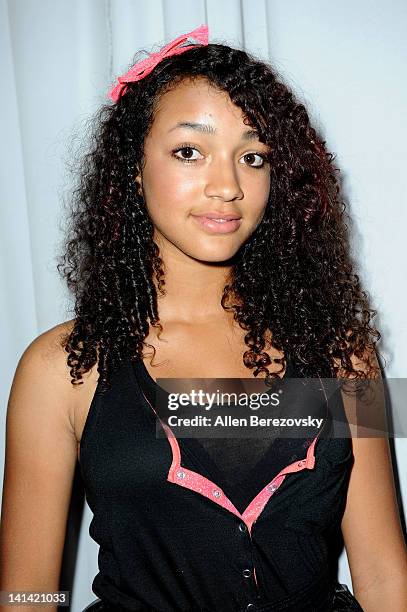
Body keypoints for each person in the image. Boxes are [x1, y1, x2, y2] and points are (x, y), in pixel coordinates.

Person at [1, 24, 406, 612]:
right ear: (134, 168)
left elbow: (385, 577)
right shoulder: (61, 366)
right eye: (189, 151)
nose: (227, 185)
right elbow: (26, 594)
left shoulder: (344, 356)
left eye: (252, 156)